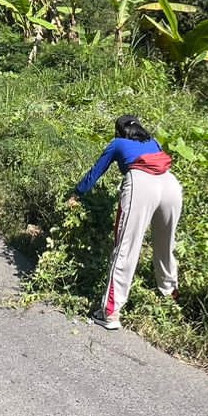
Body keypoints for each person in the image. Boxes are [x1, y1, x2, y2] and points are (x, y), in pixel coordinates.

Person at [71, 114, 182, 331]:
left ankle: (110, 313)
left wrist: (77, 194)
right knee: (165, 245)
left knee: (126, 248)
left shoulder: (117, 143)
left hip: (140, 183)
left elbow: (97, 171)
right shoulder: (154, 142)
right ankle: (171, 296)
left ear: (119, 131)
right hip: (170, 184)